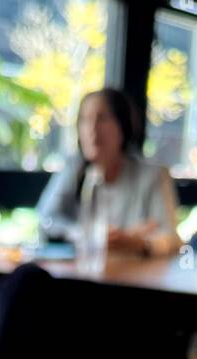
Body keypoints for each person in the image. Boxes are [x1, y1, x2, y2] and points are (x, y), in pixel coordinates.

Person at [36, 88, 181, 256]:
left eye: (102, 119)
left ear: (123, 126)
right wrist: (88, 235)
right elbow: (46, 220)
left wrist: (138, 242)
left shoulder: (152, 174)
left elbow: (171, 239)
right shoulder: (74, 168)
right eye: (84, 120)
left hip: (133, 277)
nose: (92, 129)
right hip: (79, 274)